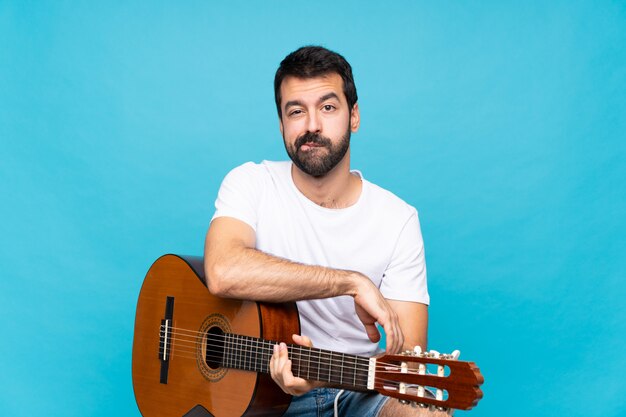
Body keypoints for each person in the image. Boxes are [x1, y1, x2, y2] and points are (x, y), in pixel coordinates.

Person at [204, 46, 444, 417]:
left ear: (354, 116)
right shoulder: (250, 183)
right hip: (253, 390)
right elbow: (221, 271)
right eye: (296, 111)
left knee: (424, 412)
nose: (311, 125)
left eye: (328, 107)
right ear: (282, 123)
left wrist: (322, 373)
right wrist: (350, 282)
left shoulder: (398, 218)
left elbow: (408, 361)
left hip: (357, 394)